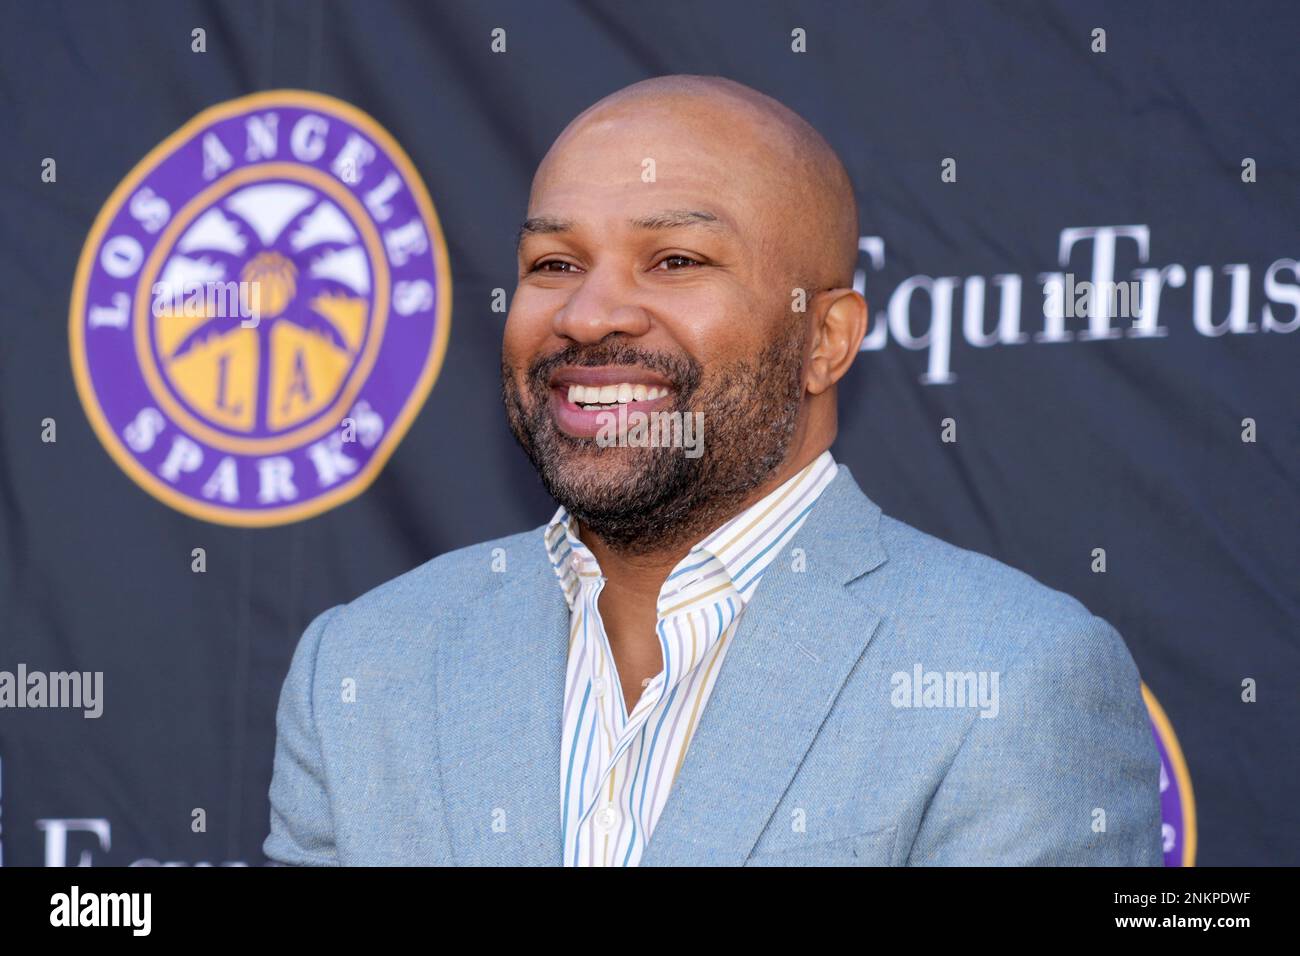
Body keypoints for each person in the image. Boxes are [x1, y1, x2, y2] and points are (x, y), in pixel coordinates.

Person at [265, 74, 1163, 866]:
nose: (589, 313)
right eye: (554, 263)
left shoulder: (1011, 675)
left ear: (824, 338)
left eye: (677, 261)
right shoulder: (362, 669)